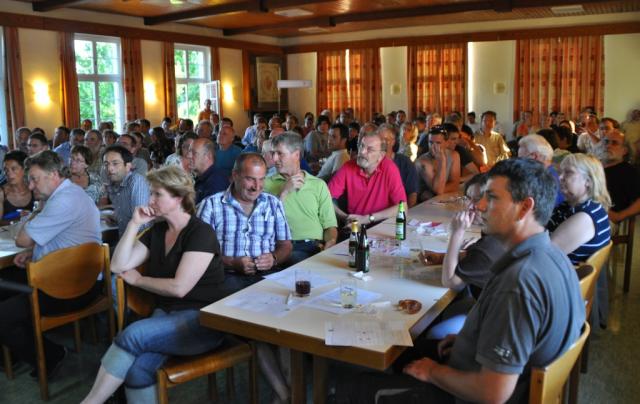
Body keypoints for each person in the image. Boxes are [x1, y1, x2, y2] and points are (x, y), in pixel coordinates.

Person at [343, 158, 585, 403]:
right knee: (407, 350)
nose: (479, 205)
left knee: (352, 386)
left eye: (492, 197)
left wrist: (433, 372)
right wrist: (475, 340)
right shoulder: (554, 257)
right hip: (490, 367)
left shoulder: (518, 284)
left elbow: (492, 393)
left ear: (524, 208)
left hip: (472, 393)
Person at [80, 166, 226, 404]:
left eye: (157, 194)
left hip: (203, 320)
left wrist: (139, 280)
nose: (150, 200)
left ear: (179, 198)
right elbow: (117, 265)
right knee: (137, 371)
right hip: (166, 315)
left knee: (132, 334)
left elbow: (179, 288)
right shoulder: (157, 230)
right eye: (151, 194)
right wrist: (134, 223)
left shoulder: (201, 233)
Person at [0, 151, 101, 378]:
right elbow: (61, 240)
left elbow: (22, 239)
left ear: (54, 174)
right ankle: (16, 350)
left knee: (3, 314)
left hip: (71, 288)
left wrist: (37, 209)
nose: (31, 186)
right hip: (77, 277)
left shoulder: (62, 200)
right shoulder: (73, 193)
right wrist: (34, 252)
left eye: (35, 179)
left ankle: (52, 356)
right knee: (5, 285)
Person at [419, 174, 505, 338]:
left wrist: (457, 233)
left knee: (434, 334)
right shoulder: (498, 231)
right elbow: (475, 258)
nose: (471, 206)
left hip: (494, 322)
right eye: (468, 199)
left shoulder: (489, 245)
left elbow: (450, 282)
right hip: (492, 307)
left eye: (477, 199)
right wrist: (441, 257)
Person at [197, 153, 292, 292]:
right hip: (226, 275)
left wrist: (274, 258)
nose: (257, 187)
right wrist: (232, 263)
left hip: (267, 274)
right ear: (235, 175)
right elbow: (198, 254)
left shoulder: (273, 203)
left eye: (261, 179)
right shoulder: (210, 205)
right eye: (250, 179)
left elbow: (286, 245)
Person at [264, 132, 337, 264]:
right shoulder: (265, 184)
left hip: (314, 247)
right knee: (297, 259)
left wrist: (330, 242)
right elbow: (263, 222)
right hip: (282, 248)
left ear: (296, 154)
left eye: (280, 153)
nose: (274, 158)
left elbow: (329, 226)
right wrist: (284, 192)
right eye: (273, 153)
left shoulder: (318, 184)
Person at [328, 130, 406, 227]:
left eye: (370, 149)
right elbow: (325, 198)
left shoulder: (389, 168)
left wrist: (367, 218)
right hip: (355, 226)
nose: (362, 152)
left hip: (382, 225)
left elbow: (403, 208)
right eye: (361, 146)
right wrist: (346, 217)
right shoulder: (348, 167)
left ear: (381, 156)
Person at [548, 153, 611, 264]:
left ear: (588, 181)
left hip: (560, 273)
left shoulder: (585, 217)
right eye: (560, 172)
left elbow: (545, 255)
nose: (560, 177)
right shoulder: (571, 205)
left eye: (568, 172)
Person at [103, 145, 151, 236]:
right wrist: (116, 219)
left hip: (139, 240)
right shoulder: (113, 183)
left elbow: (141, 224)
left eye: (115, 163)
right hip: (123, 236)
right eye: (106, 164)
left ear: (128, 166)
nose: (109, 168)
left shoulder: (136, 182)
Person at [600, 130, 640, 224]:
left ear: (624, 150)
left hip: (605, 220)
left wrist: (619, 216)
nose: (608, 146)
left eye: (614, 143)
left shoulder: (628, 171)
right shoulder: (594, 165)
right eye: (606, 142)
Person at [416, 125, 461, 201]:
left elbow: (455, 185)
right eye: (431, 142)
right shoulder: (422, 162)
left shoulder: (454, 155)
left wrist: (434, 192)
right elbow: (438, 190)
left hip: (438, 198)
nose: (433, 146)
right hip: (423, 203)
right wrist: (442, 161)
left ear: (447, 143)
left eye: (438, 143)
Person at [518, 134, 564, 207]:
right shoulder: (550, 173)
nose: (519, 164)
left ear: (534, 156)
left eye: (521, 159)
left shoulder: (546, 180)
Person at [379, 124, 419, 208]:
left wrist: (404, 213)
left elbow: (412, 194)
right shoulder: (372, 163)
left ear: (393, 142)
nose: (382, 142)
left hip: (399, 210)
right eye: (379, 139)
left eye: (386, 139)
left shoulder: (405, 163)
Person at [188, 138, 229, 204]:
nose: (189, 156)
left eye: (194, 153)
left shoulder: (217, 182)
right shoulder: (202, 176)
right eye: (189, 152)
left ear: (208, 156)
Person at [0, 150, 33, 224]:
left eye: (13, 169)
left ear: (24, 169)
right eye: (6, 170)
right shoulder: (1, 193)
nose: (9, 173)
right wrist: (18, 219)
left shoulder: (34, 189)